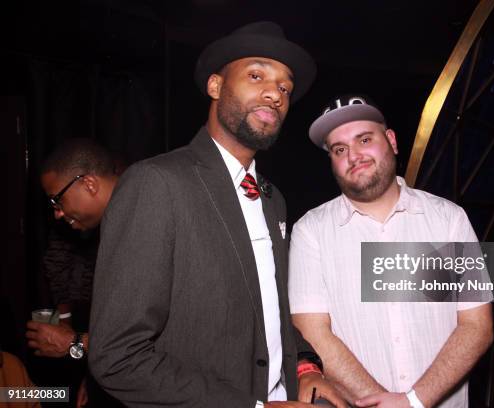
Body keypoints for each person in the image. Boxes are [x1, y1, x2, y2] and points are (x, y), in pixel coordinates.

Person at [88, 21, 345, 408]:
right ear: (215, 86)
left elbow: (270, 310)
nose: (275, 94)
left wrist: (306, 368)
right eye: (257, 75)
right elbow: (117, 356)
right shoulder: (157, 183)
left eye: (284, 87)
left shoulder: (273, 198)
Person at [289, 95, 494, 408]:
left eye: (365, 139)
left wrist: (414, 401)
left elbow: (476, 326)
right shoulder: (310, 231)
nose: (353, 156)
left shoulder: (449, 219)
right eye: (339, 149)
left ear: (392, 140)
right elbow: (312, 331)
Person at [27, 138, 123, 407]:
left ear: (89, 184)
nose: (57, 213)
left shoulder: (142, 225)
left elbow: (145, 342)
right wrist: (96, 375)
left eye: (57, 200)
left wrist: (73, 344)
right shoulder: (118, 225)